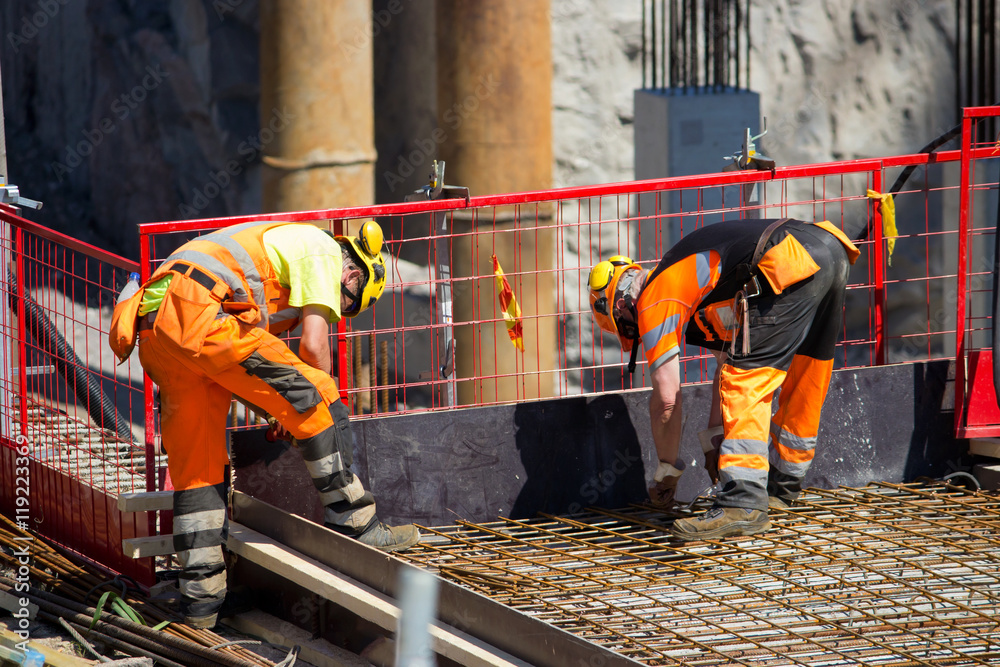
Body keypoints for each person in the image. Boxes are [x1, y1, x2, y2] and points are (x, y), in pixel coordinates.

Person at [110, 219, 419, 628]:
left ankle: (201, 604)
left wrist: (278, 409)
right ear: (352, 275)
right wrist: (304, 402)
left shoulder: (266, 268)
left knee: (198, 470)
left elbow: (238, 363)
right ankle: (356, 524)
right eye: (343, 307)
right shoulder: (322, 251)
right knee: (321, 395)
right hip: (201, 314)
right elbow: (311, 347)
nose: (332, 313)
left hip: (158, 331)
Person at [587, 217, 859, 541]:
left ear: (621, 306)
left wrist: (667, 471)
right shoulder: (696, 285)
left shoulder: (654, 295)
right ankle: (783, 488)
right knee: (807, 370)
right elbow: (724, 368)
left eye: (628, 328)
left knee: (748, 379)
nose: (639, 334)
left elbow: (668, 399)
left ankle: (743, 502)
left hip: (786, 260)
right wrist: (716, 445)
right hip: (829, 250)